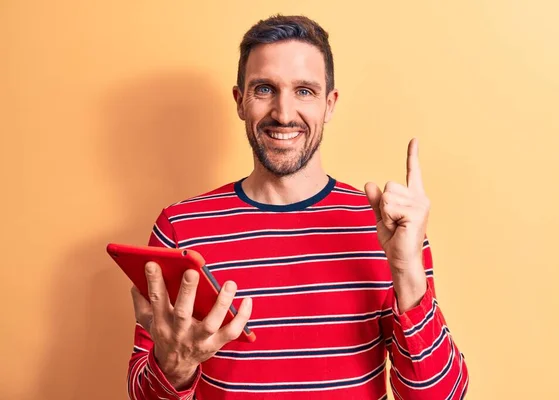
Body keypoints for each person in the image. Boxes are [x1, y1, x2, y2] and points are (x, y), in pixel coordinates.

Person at [126, 14, 469, 399]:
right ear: (240, 102)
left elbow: (440, 395)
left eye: (304, 90)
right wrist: (175, 368)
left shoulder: (389, 230)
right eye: (265, 89)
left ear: (330, 104)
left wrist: (406, 273)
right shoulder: (179, 227)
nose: (284, 113)